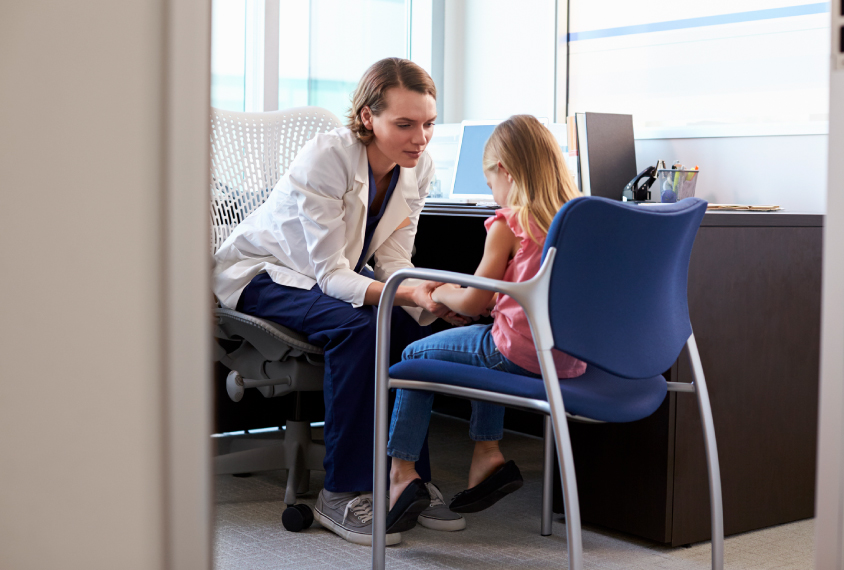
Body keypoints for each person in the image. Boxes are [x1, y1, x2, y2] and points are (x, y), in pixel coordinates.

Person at [213, 58, 469, 546]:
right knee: (360, 329)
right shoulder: (328, 156)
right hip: (263, 272)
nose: (421, 138)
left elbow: (394, 263)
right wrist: (407, 294)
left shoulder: (419, 167)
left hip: (329, 276)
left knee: (414, 334)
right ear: (369, 117)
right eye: (405, 124)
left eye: (429, 124)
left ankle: (404, 476)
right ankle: (341, 492)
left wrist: (427, 300)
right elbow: (333, 274)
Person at [386, 115, 588, 518]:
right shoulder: (581, 219)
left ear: (506, 173)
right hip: (567, 359)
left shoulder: (509, 222)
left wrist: (436, 292)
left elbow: (472, 302)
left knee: (413, 359)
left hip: (516, 353)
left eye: (490, 183)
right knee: (486, 338)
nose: (492, 193)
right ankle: (486, 454)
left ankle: (402, 474)